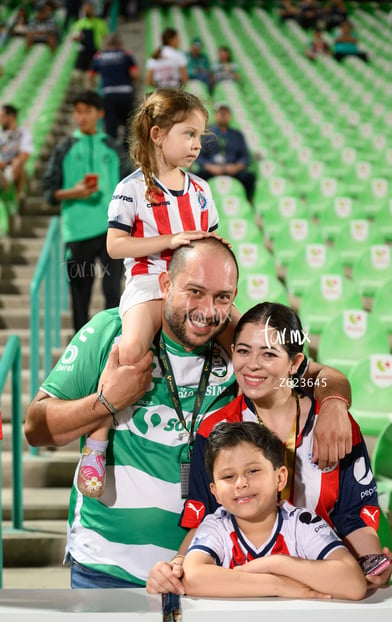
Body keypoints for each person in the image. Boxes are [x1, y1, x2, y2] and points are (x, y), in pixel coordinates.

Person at [25, 237, 354, 589]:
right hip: (105, 569)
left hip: (208, 570)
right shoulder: (111, 333)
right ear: (165, 284)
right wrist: (105, 402)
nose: (207, 310)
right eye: (194, 292)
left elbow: (323, 377)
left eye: (222, 297)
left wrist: (334, 403)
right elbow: (36, 427)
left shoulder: (241, 354)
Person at [178, 302, 392, 594]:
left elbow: (354, 516)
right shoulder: (215, 429)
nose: (251, 364)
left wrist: (370, 562)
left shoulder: (335, 424)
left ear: (294, 363)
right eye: (243, 351)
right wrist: (178, 564)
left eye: (268, 354)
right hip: (240, 586)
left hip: (321, 586)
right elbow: (205, 523)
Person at [76, 88, 221, 498]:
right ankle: (96, 441)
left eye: (200, 136)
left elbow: (210, 241)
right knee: (131, 349)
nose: (196, 144)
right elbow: (115, 246)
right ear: (157, 134)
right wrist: (170, 240)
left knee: (244, 340)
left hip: (195, 287)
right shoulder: (132, 188)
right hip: (148, 281)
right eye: (188, 134)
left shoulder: (202, 191)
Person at [182, 421, 367, 600]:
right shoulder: (216, 525)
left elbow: (353, 584)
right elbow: (193, 578)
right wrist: (277, 585)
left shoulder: (302, 523)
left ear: (280, 478)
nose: (241, 483)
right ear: (215, 493)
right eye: (228, 476)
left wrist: (276, 563)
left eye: (253, 471)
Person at [43, 90, 127, 334]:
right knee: (80, 293)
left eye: (87, 111)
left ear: (99, 113)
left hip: (113, 231)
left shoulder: (113, 147)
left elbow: (131, 186)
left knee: (113, 290)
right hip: (77, 232)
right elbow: (49, 191)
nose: (82, 117)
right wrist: (74, 193)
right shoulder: (64, 148)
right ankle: (82, 350)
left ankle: (112, 342)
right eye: (77, 112)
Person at [196, 102, 256, 203]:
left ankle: (249, 204)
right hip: (212, 169)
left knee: (248, 177)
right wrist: (211, 167)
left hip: (232, 169)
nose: (223, 115)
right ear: (215, 115)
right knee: (197, 177)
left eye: (226, 113)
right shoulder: (206, 134)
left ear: (230, 116)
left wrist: (236, 167)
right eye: (220, 112)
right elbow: (199, 156)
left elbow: (245, 156)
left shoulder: (237, 135)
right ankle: (199, 204)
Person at [89, 32, 139, 146]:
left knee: (111, 126)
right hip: (126, 93)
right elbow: (135, 74)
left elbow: (91, 74)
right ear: (120, 44)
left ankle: (113, 151)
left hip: (108, 93)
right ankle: (126, 153)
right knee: (128, 124)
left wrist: (93, 86)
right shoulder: (126, 55)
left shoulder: (99, 56)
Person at [0, 103, 33, 200]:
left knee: (18, 163)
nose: (0, 119)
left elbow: (24, 155)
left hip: (12, 168)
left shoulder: (23, 133)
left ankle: (16, 199)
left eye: (2, 116)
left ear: (11, 117)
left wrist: (6, 164)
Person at [72, 2, 109, 77]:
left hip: (96, 51)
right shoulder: (80, 23)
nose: (86, 11)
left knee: (95, 73)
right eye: (85, 9)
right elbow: (74, 37)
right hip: (83, 51)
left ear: (93, 10)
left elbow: (106, 37)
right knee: (78, 73)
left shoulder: (100, 23)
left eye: (88, 9)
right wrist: (77, 38)